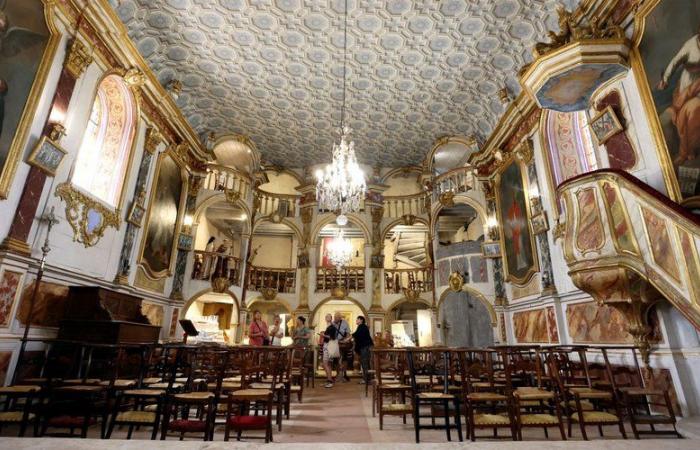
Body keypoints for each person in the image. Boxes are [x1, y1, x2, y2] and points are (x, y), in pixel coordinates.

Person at [656, 26, 700, 164]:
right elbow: (675, 61)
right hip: (689, 82)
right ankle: (686, 151)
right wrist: (665, 79)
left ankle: (687, 150)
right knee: (682, 110)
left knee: (692, 111)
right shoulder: (692, 44)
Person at [352, 316, 374, 384]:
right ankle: (368, 379)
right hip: (366, 347)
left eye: (357, 319)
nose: (356, 320)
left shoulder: (362, 326)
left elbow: (356, 334)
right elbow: (357, 335)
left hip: (365, 347)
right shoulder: (362, 327)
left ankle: (366, 379)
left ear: (361, 320)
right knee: (366, 363)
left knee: (365, 363)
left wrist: (348, 338)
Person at [320, 313, 338, 388]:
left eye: (328, 317)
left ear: (331, 318)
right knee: (328, 364)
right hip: (327, 346)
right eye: (326, 317)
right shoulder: (328, 327)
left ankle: (330, 380)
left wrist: (323, 335)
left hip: (328, 346)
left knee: (324, 364)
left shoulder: (332, 327)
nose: (327, 318)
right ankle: (329, 380)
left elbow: (332, 337)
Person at [333, 312, 352, 382]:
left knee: (344, 359)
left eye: (336, 317)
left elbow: (348, 333)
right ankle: (337, 374)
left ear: (340, 318)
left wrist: (345, 340)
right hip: (335, 343)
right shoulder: (333, 323)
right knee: (336, 360)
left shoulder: (345, 323)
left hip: (343, 344)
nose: (335, 318)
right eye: (334, 317)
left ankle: (344, 374)